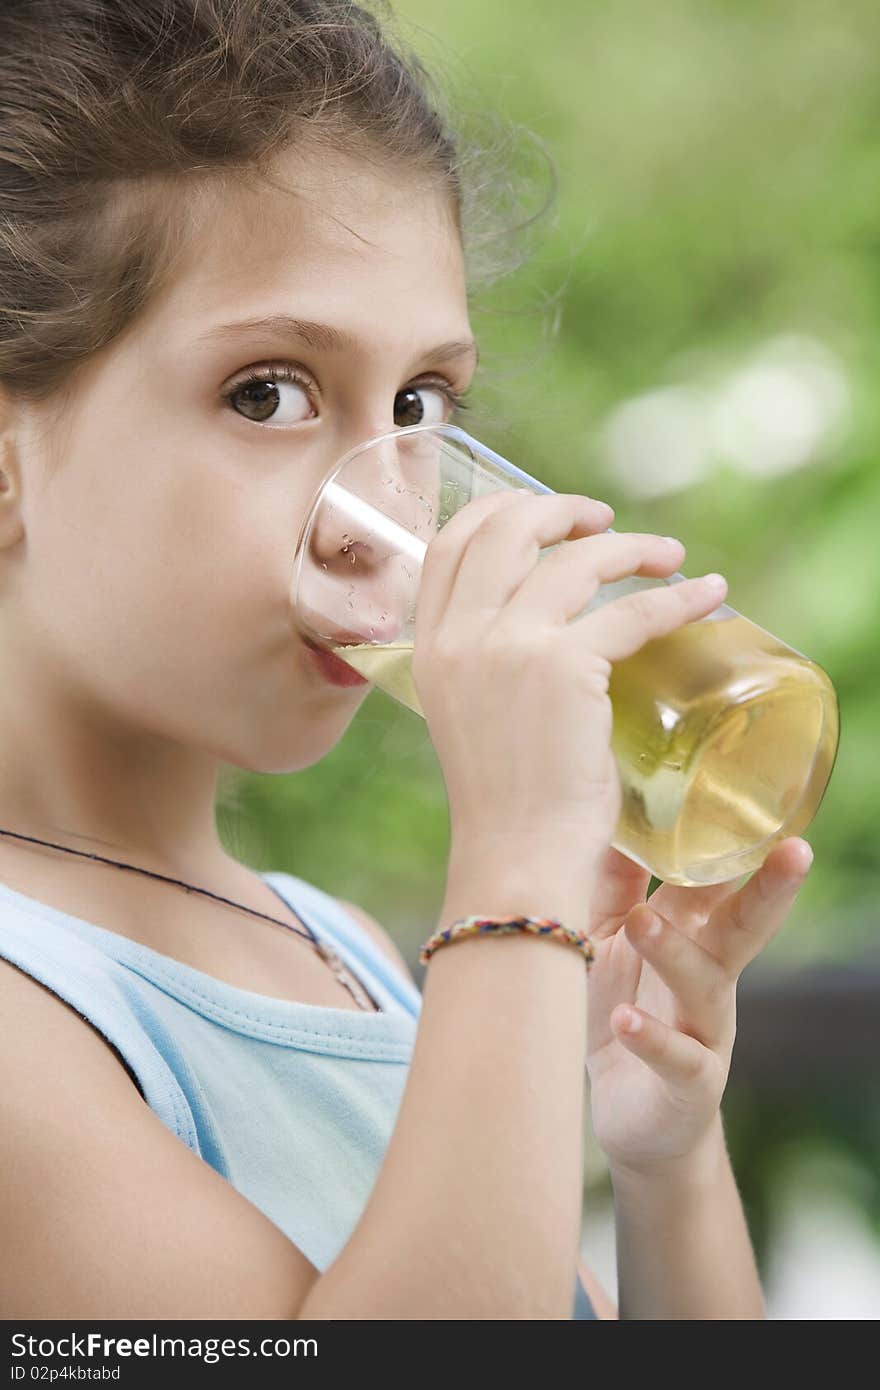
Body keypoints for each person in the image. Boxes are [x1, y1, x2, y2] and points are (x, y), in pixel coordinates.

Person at [0, 0, 814, 1320]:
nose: (391, 524)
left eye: (421, 405)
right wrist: (512, 882)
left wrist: (664, 1153)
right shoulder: (28, 1012)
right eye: (268, 392)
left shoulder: (335, 953)